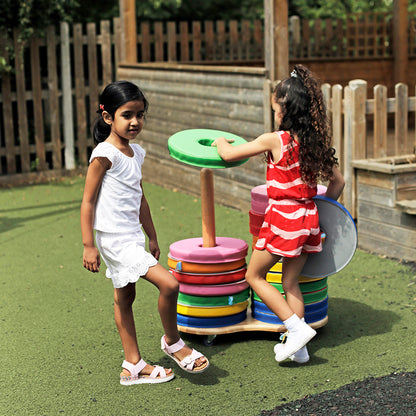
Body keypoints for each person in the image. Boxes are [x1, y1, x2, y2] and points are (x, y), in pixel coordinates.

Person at [212, 65, 345, 363]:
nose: (274, 115)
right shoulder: (314, 143)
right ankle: (300, 350)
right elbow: (339, 180)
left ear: (284, 109)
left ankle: (296, 329)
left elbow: (229, 155)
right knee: (290, 284)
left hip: (283, 219)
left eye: (275, 109)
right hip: (308, 218)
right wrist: (325, 210)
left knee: (254, 275)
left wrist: (220, 141)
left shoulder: (277, 140)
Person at [80, 80, 209, 385]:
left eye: (140, 114)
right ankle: (173, 343)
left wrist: (151, 235)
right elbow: (87, 201)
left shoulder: (135, 153)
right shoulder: (104, 154)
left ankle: (132, 365)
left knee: (124, 297)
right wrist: (88, 244)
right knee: (170, 284)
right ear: (108, 117)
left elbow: (139, 197)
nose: (135, 121)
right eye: (127, 115)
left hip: (132, 235)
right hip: (113, 238)